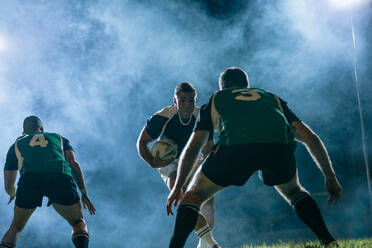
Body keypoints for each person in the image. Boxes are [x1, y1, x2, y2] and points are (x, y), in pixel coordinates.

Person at [166, 67, 342, 248]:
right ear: (246, 86)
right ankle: (328, 241)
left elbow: (193, 147)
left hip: (236, 148)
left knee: (193, 196)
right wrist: (330, 177)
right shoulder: (271, 98)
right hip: (278, 149)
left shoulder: (216, 99)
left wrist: (178, 186)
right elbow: (310, 138)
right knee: (294, 191)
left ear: (222, 87)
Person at [137, 82, 220, 248]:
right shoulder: (162, 116)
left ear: (196, 99)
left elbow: (208, 147)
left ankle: (204, 244)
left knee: (208, 200)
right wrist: (152, 161)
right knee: (180, 191)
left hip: (194, 158)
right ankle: (211, 244)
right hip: (170, 161)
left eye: (190, 100)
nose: (187, 104)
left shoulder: (202, 116)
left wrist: (210, 160)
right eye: (182, 100)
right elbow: (142, 142)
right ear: (174, 101)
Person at [1, 116, 95, 248]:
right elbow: (73, 163)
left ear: (23, 133)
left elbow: (8, 184)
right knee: (78, 222)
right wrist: (84, 193)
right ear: (42, 130)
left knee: (15, 227)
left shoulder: (16, 144)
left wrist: (12, 193)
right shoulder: (59, 138)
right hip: (59, 176)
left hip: (29, 179)